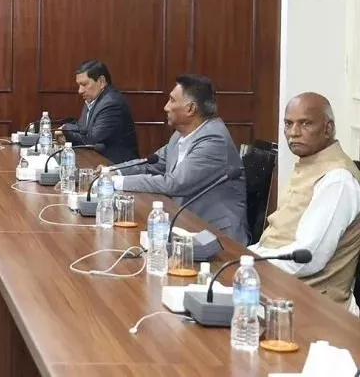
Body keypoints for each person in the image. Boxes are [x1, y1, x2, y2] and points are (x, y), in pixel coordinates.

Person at [249, 93, 360, 315]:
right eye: (288, 124)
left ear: (328, 129)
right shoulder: (309, 163)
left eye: (305, 123)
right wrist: (243, 254)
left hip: (317, 308)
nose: (293, 132)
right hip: (281, 289)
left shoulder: (337, 179)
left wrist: (250, 262)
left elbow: (309, 257)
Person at [110, 74, 249, 244]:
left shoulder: (214, 140)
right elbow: (150, 163)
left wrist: (117, 182)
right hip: (187, 225)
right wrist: (112, 171)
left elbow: (175, 183)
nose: (166, 107)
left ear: (191, 109)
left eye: (171, 100)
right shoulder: (179, 135)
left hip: (218, 236)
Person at [59, 60, 139, 164]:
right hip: (96, 161)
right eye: (79, 85)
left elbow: (92, 140)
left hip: (117, 166)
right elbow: (82, 128)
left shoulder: (112, 103)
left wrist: (66, 129)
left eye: (84, 84)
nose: (80, 91)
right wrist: (66, 131)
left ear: (101, 81)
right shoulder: (92, 98)